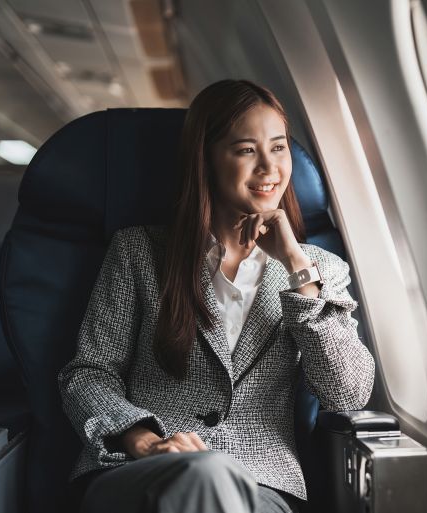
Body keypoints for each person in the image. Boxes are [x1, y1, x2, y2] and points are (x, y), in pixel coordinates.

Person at [57, 79, 376, 513]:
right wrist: (146, 442)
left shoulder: (320, 270)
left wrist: (296, 269)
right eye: (246, 150)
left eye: (279, 148)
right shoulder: (138, 252)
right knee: (204, 474)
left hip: (261, 487)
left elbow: (348, 394)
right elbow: (89, 373)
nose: (269, 168)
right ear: (205, 159)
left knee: (215, 479)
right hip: (138, 473)